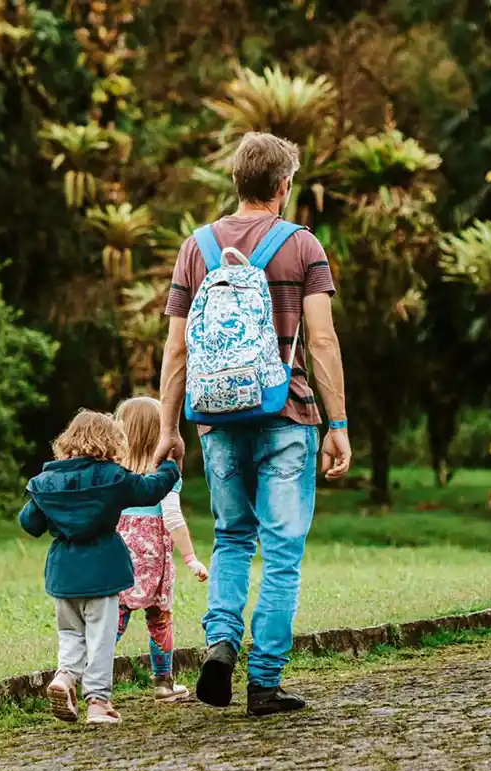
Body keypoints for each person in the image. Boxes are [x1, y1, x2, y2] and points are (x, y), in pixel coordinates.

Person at [152, 132, 351, 717]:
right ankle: (264, 683)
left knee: (233, 538)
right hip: (285, 416)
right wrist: (336, 421)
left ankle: (219, 643)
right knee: (282, 551)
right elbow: (321, 339)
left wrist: (170, 430)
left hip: (216, 422)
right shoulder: (302, 246)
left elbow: (175, 350)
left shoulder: (197, 247)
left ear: (236, 182)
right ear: (284, 185)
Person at [19, 409, 180, 725]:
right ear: (110, 442)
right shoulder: (114, 478)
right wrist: (171, 467)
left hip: (63, 574)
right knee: (100, 639)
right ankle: (98, 704)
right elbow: (151, 489)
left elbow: (30, 523)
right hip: (104, 572)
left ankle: (64, 678)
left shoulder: (46, 481)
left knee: (70, 634)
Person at [113, 397, 210, 703]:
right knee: (160, 619)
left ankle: (90, 681)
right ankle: (163, 684)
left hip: (117, 559)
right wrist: (191, 557)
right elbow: (172, 518)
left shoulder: (113, 474)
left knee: (114, 619)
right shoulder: (165, 474)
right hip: (154, 561)